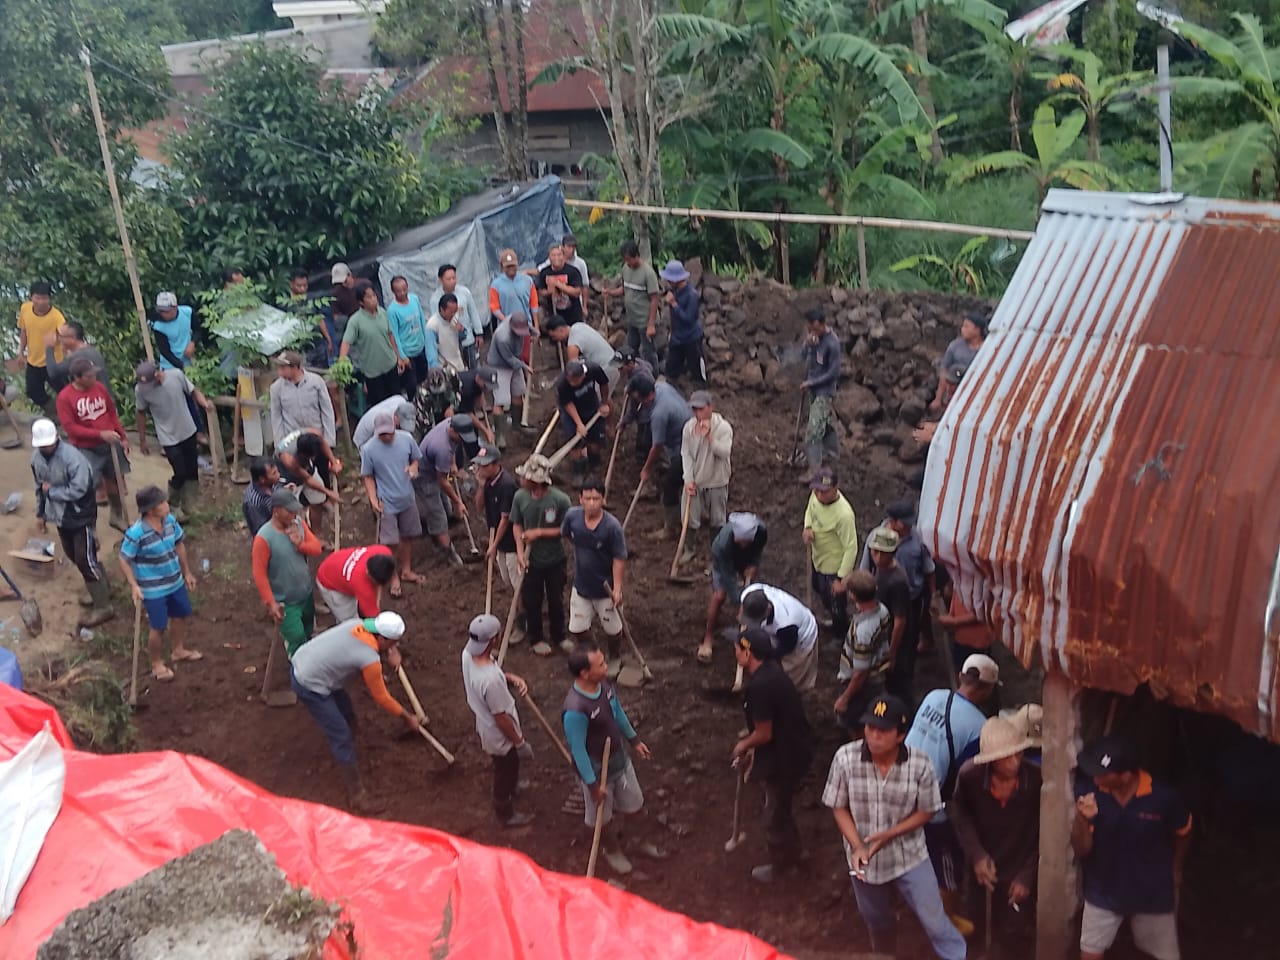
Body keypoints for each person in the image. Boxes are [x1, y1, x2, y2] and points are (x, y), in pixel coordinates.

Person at [823, 693, 967, 960]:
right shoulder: (845, 758)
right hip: (865, 861)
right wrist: (857, 845)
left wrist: (890, 834)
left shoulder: (920, 765)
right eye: (870, 727)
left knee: (934, 919)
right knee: (877, 921)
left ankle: (956, 955)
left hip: (909, 855)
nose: (874, 735)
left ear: (901, 735)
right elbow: (838, 805)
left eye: (883, 730)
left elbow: (927, 810)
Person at [905, 654, 1001, 937]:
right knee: (948, 867)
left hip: (899, 788)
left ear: (961, 676)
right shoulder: (979, 726)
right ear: (987, 689)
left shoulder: (934, 696)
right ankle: (943, 923)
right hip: (933, 806)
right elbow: (969, 775)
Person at [1072, 736, 1191, 960]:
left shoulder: (1163, 797)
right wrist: (1080, 818)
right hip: (1103, 891)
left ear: (1126, 776)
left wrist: (1176, 867)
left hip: (1152, 893)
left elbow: (1184, 831)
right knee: (1089, 955)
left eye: (1103, 774)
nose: (1096, 778)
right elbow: (1082, 850)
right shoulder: (1089, 793)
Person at [290, 611, 419, 813]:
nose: (396, 646)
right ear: (382, 637)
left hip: (308, 660)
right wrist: (407, 717)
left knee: (346, 708)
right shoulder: (368, 658)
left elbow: (371, 648)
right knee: (340, 734)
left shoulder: (357, 623)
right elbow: (382, 698)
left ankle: (355, 743)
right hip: (309, 683)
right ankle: (357, 796)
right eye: (394, 642)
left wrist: (389, 652)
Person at [562, 640, 661, 876]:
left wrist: (634, 740)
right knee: (601, 818)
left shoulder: (604, 685)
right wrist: (593, 785)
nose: (606, 667)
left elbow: (617, 713)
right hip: (598, 770)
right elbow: (578, 750)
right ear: (585, 673)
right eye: (601, 664)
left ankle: (638, 840)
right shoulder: (575, 710)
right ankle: (612, 850)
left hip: (619, 760)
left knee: (635, 804)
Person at [949, 717, 1041, 951]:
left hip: (1018, 866)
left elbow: (1043, 834)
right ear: (990, 761)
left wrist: (1027, 875)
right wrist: (977, 855)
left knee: (1015, 934)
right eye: (1005, 757)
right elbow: (961, 815)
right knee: (973, 927)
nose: (1014, 762)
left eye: (1018, 753)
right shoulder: (970, 776)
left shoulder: (1037, 780)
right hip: (982, 867)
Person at [731, 626, 813, 883]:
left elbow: (764, 733)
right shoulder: (771, 673)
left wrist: (743, 745)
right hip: (793, 748)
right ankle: (798, 853)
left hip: (784, 758)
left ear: (747, 653)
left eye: (737, 648)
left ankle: (783, 867)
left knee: (773, 816)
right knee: (781, 808)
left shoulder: (760, 686)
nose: (734, 652)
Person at [30, 418, 113, 627]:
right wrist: (41, 513)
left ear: (57, 438)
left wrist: (54, 492)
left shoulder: (72, 458)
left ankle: (103, 606)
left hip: (80, 514)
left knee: (85, 559)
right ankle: (102, 585)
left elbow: (81, 488)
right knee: (74, 555)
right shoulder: (36, 460)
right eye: (42, 445)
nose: (45, 448)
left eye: (48, 443)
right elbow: (40, 487)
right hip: (60, 516)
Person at [118, 485, 203, 682]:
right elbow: (124, 559)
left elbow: (179, 544)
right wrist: (134, 585)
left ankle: (178, 650)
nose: (166, 505)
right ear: (150, 509)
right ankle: (156, 663)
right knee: (158, 626)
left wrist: (187, 572)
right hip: (153, 588)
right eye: (162, 503)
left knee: (180, 616)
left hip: (175, 580)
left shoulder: (170, 522)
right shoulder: (136, 533)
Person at [462, 613, 535, 827]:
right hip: (499, 735)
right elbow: (501, 718)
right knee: (505, 767)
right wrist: (519, 741)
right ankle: (505, 812)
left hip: (485, 725)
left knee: (507, 766)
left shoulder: (467, 654)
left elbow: (491, 672)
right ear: (494, 639)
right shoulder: (491, 681)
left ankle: (513, 787)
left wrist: (508, 677)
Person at [56, 355, 131, 532]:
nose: (94, 378)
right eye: (89, 376)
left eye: (94, 374)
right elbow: (71, 429)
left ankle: (117, 516)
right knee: (89, 489)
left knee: (115, 479)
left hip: (110, 443)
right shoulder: (65, 398)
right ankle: (90, 530)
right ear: (78, 377)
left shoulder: (99, 388)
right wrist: (99, 434)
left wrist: (123, 436)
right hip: (86, 449)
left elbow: (111, 413)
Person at [134, 361, 213, 522]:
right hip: (168, 436)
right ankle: (173, 504)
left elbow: (193, 391)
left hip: (187, 430)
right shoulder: (141, 390)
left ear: (157, 375)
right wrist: (142, 440)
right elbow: (140, 413)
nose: (146, 387)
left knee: (192, 470)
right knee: (180, 471)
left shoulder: (176, 376)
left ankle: (190, 504)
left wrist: (204, 403)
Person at [861, 500, 935, 667]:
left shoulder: (918, 538)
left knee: (908, 636)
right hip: (883, 599)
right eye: (904, 523)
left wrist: (933, 594)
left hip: (912, 598)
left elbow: (928, 568)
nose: (909, 527)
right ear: (892, 521)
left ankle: (904, 664)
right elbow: (865, 570)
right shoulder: (875, 538)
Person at [561, 479, 627, 665]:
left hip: (605, 588)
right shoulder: (572, 517)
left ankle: (615, 656)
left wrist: (617, 589)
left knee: (613, 629)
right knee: (577, 628)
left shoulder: (612, 527)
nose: (591, 503)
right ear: (580, 499)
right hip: (581, 585)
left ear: (603, 500)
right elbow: (566, 534)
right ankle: (596, 654)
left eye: (596, 499)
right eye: (587, 498)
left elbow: (619, 559)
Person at [512, 454, 571, 657]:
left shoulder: (560, 500)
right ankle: (536, 637)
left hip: (555, 559)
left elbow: (566, 530)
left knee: (556, 598)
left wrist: (539, 533)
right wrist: (520, 552)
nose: (521, 479)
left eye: (525, 477)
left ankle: (559, 635)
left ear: (535, 480)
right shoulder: (520, 497)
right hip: (531, 561)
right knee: (532, 600)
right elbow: (517, 524)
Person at [252, 488, 323, 658]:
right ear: (276, 511)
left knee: (307, 629)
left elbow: (317, 549)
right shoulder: (264, 538)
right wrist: (270, 602)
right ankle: (298, 667)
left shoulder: (298, 523)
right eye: (289, 510)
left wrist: (300, 544)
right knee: (296, 637)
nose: (294, 513)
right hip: (285, 601)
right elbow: (259, 573)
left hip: (305, 593)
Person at [361, 411, 424, 593]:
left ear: (394, 427)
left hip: (406, 496)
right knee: (390, 542)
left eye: (389, 433)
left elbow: (416, 459)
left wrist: (413, 467)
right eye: (382, 434)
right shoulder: (369, 449)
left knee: (408, 536)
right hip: (386, 501)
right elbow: (368, 476)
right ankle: (392, 575)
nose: (386, 437)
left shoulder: (406, 439)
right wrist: (373, 498)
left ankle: (406, 570)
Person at [849, 525, 912, 702]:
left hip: (894, 638)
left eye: (883, 553)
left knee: (898, 681)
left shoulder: (897, 580)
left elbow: (900, 621)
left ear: (893, 552)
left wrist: (891, 654)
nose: (877, 557)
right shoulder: (881, 570)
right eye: (875, 552)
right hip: (880, 630)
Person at [627, 373, 692, 538]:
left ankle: (672, 528)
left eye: (640, 400)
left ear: (647, 396)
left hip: (685, 448)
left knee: (670, 486)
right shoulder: (662, 386)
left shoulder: (658, 414)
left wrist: (646, 469)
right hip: (691, 433)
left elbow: (657, 446)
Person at [698, 512, 767, 664]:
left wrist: (753, 564)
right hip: (723, 560)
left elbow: (758, 550)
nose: (739, 541)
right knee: (720, 595)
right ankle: (708, 638)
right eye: (738, 540)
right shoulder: (722, 544)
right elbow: (728, 578)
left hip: (746, 557)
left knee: (752, 595)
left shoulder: (761, 531)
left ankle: (751, 635)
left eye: (744, 541)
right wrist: (740, 601)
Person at [474, 446, 524, 640]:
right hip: (498, 541)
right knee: (508, 581)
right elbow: (479, 507)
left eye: (484, 465)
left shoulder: (506, 485)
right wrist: (480, 485)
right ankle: (519, 610)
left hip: (511, 542)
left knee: (517, 583)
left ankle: (521, 623)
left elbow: (506, 519)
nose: (480, 469)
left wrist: (493, 545)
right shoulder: (488, 483)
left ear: (496, 465)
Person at [803, 466, 859, 639]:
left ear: (835, 488)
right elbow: (810, 511)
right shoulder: (815, 495)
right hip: (817, 558)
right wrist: (808, 527)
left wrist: (841, 579)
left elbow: (851, 547)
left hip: (833, 567)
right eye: (817, 490)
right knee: (818, 588)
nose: (819, 495)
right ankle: (835, 619)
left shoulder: (844, 515)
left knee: (836, 603)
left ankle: (842, 633)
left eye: (824, 492)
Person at [415, 414, 477, 568]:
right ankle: (446, 550)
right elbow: (443, 481)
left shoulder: (451, 424)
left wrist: (453, 463)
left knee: (446, 508)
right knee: (438, 514)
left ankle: (439, 533)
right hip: (425, 478)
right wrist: (459, 502)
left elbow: (454, 446)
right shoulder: (441, 448)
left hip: (437, 469)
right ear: (453, 430)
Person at [834, 570, 893, 733]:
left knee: (855, 722)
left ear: (853, 596)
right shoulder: (883, 610)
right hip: (878, 675)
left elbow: (860, 673)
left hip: (864, 685)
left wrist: (845, 698)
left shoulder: (863, 632)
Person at [679, 390, 732, 564]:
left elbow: (724, 452)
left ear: (710, 407)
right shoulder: (689, 428)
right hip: (695, 481)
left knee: (717, 519)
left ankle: (716, 552)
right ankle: (689, 549)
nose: (697, 413)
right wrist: (688, 479)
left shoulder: (723, 428)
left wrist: (710, 437)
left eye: (700, 409)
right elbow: (686, 454)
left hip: (717, 481)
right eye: (694, 409)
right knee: (690, 517)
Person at [739, 583, 819, 693]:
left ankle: (791, 693)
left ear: (768, 609)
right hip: (776, 631)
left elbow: (787, 647)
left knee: (791, 673)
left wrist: (765, 657)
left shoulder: (786, 624)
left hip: (802, 638)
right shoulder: (750, 592)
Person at [340, 281, 402, 407]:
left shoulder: (383, 313)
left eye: (374, 295)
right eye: (369, 297)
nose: (374, 299)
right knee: (381, 406)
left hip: (390, 365)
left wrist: (398, 357)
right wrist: (342, 362)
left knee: (396, 401)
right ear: (361, 302)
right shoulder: (355, 321)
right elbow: (346, 342)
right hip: (373, 373)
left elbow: (390, 335)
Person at [274, 427, 343, 532]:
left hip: (307, 470)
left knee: (318, 501)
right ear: (303, 454)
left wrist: (333, 462)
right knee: (293, 513)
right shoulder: (289, 460)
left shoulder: (314, 434)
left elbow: (323, 443)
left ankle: (316, 536)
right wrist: (329, 493)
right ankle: (300, 539)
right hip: (289, 480)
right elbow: (307, 479)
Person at [800, 307, 841, 478]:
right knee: (824, 423)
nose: (811, 330)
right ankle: (833, 454)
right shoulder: (814, 339)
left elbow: (833, 373)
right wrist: (806, 345)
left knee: (813, 430)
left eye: (813, 327)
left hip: (824, 391)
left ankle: (814, 470)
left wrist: (812, 382)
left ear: (821, 324)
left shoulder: (832, 343)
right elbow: (804, 357)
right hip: (813, 391)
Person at [604, 241, 659, 369]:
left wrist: (651, 325)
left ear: (636, 256)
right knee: (630, 348)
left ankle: (653, 376)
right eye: (625, 260)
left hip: (644, 320)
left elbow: (655, 299)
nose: (627, 262)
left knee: (648, 351)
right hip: (632, 319)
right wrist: (610, 292)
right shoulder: (626, 269)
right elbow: (624, 289)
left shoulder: (648, 273)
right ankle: (633, 372)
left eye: (629, 259)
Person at [556, 359, 611, 484]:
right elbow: (568, 404)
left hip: (591, 405)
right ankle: (578, 471)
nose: (572, 383)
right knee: (575, 443)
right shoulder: (562, 383)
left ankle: (594, 462)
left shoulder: (593, 369)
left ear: (583, 376)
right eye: (570, 380)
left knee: (595, 442)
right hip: (571, 412)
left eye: (575, 381)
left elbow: (604, 383)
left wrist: (604, 402)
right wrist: (579, 424)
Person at [269, 350, 336, 452]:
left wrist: (329, 440)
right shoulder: (276, 388)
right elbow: (276, 417)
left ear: (295, 367)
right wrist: (280, 445)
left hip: (317, 437)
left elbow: (327, 411)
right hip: (293, 441)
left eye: (283, 368)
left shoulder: (316, 382)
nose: (280, 372)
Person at [17, 281, 66, 413]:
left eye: (44, 298)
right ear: (31, 298)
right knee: (33, 392)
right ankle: (56, 412)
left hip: (53, 362)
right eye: (37, 298)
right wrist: (21, 353)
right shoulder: (25, 309)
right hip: (33, 361)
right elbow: (24, 331)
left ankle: (72, 416)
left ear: (49, 299)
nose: (41, 302)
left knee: (65, 392)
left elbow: (66, 337)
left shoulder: (57, 317)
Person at [486, 312, 532, 449]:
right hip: (500, 366)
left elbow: (529, 328)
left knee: (518, 393)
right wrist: (525, 366)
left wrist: (534, 333)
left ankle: (517, 424)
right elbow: (509, 359)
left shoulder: (520, 320)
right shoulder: (502, 337)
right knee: (500, 400)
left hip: (515, 362)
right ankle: (500, 436)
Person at [316, 545, 396, 622]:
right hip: (329, 582)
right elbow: (373, 618)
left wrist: (375, 604)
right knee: (350, 622)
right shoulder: (362, 586)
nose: (366, 571)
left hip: (336, 562)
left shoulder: (383, 551)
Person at [386, 275, 436, 395]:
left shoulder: (414, 299)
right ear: (393, 292)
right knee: (412, 385)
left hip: (421, 347)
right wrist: (402, 356)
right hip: (408, 352)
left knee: (426, 379)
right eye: (399, 291)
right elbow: (394, 335)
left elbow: (421, 320)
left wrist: (426, 340)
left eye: (404, 289)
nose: (402, 293)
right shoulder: (392, 310)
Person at [429, 264, 485, 369]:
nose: (452, 281)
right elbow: (437, 322)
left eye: (454, 278)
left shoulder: (464, 292)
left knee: (474, 368)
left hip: (468, 339)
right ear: (441, 279)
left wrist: (479, 333)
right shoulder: (435, 299)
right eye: (448, 279)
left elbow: (473, 313)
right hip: (449, 344)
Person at [544, 316, 620, 391]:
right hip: (613, 361)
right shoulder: (578, 325)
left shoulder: (573, 345)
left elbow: (573, 371)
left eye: (554, 336)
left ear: (560, 330)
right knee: (604, 398)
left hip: (606, 369)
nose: (555, 340)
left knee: (593, 399)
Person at [931, 312, 987, 412]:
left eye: (966, 326)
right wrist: (938, 399)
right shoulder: (955, 346)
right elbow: (944, 370)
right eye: (962, 326)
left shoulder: (988, 349)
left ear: (977, 330)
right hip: (955, 394)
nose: (962, 329)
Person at [660, 260, 704, 383]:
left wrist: (674, 304)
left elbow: (689, 319)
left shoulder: (692, 295)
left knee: (697, 370)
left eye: (669, 279)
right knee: (671, 370)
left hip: (691, 338)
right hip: (677, 337)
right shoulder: (674, 291)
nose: (668, 282)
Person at [44, 321, 110, 396]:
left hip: (97, 403)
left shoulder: (78, 357)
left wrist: (49, 347)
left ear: (72, 338)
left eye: (61, 336)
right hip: (103, 400)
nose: (58, 339)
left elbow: (53, 372)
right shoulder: (92, 350)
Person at [284, 266, 333, 368]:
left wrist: (328, 339)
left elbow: (320, 319)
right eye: (299, 286)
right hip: (302, 348)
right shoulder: (285, 305)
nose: (302, 289)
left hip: (318, 346)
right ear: (291, 284)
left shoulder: (312, 300)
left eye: (305, 285)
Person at [489, 248, 541, 341]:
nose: (511, 268)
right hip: (506, 329)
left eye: (513, 265)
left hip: (525, 326)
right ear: (502, 267)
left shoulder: (528, 281)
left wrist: (536, 326)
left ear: (517, 264)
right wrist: (507, 321)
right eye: (508, 266)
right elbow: (494, 308)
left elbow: (534, 304)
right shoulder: (495, 285)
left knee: (525, 354)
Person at [536, 233, 590, 313]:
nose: (571, 250)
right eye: (569, 247)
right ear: (563, 247)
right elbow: (541, 287)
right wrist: (549, 291)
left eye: (573, 247)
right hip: (554, 309)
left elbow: (583, 287)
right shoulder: (549, 266)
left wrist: (584, 306)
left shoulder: (578, 265)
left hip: (574, 307)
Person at [536, 243, 586, 329]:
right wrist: (549, 292)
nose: (556, 258)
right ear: (549, 257)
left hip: (573, 315)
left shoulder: (573, 271)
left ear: (563, 256)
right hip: (555, 315)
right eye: (553, 255)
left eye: (559, 255)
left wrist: (558, 284)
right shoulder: (544, 273)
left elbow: (577, 292)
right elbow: (541, 291)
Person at [151, 291, 196, 373]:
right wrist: (182, 366)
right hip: (170, 367)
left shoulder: (188, 312)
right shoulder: (158, 327)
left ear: (175, 307)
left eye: (166, 311)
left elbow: (198, 330)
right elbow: (165, 352)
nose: (163, 314)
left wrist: (193, 343)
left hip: (189, 361)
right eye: (161, 311)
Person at [352, 396, 418, 450]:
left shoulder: (401, 401)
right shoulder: (382, 420)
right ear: (395, 417)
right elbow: (378, 443)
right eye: (401, 423)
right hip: (365, 440)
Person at [427, 293, 467, 373]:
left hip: (458, 363)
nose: (453, 314)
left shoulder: (454, 318)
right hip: (444, 368)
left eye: (455, 311)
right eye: (451, 312)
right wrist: (436, 371)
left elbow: (462, 337)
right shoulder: (432, 325)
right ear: (442, 309)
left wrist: (462, 331)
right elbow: (431, 352)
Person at [242, 456, 282, 537]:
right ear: (262, 479)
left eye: (277, 471)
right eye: (274, 473)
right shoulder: (253, 502)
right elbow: (261, 530)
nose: (279, 475)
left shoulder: (273, 482)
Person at [329, 263, 360, 340]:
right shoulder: (336, 293)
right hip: (350, 324)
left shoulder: (362, 285)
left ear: (349, 275)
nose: (343, 283)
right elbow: (336, 315)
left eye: (345, 280)